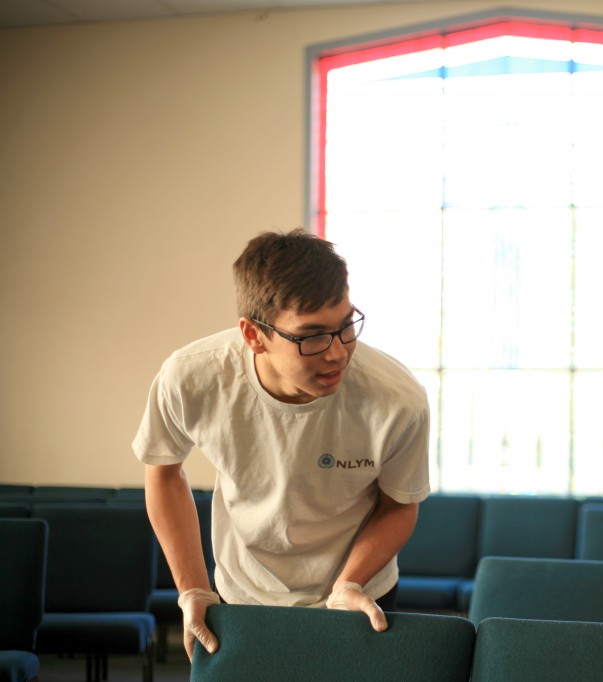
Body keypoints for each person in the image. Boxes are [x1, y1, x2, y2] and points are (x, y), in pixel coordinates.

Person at [133, 228, 430, 660]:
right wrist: (193, 587)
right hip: (242, 592)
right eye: (311, 336)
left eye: (346, 325)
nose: (337, 353)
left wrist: (350, 583)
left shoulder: (397, 400)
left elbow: (399, 504)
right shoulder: (192, 377)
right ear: (253, 335)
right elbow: (163, 472)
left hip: (361, 592)